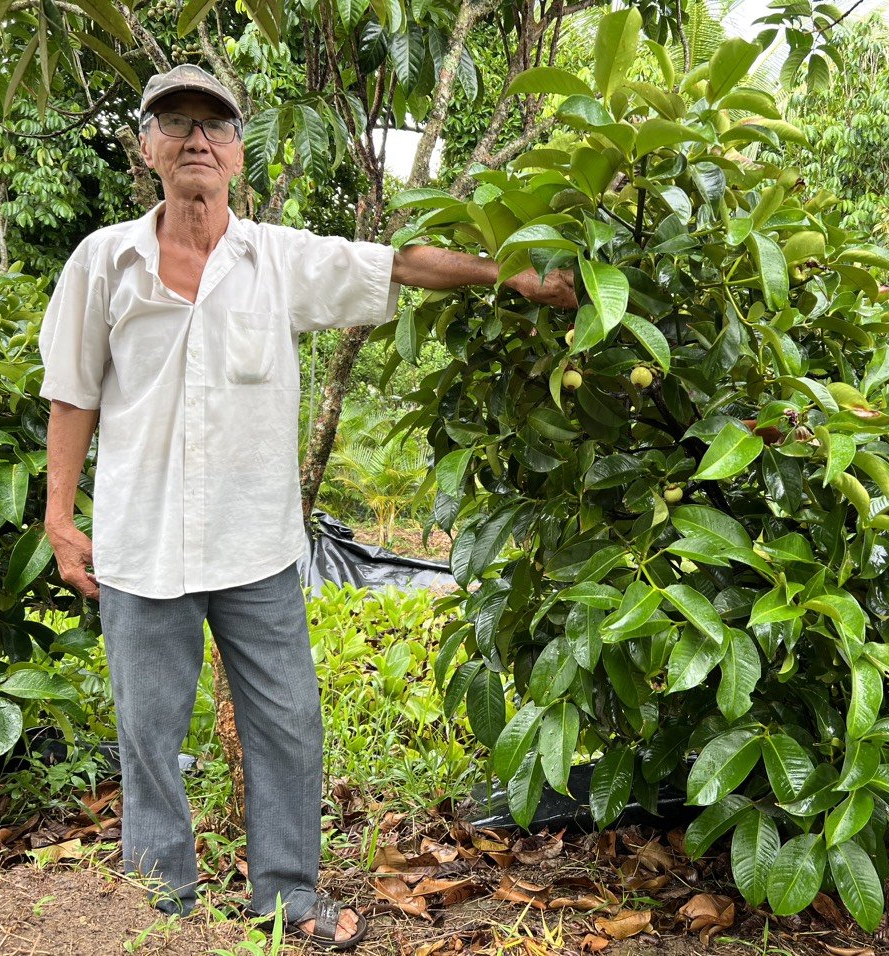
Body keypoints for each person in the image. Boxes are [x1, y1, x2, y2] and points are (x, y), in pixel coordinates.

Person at [40, 63, 576, 950]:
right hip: (140, 546)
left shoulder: (278, 260)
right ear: (147, 149)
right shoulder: (105, 261)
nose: (196, 141)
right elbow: (72, 396)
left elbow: (400, 265)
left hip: (254, 550)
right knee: (146, 736)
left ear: (240, 155)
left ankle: (287, 898)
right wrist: (61, 520)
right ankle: (159, 908)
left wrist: (506, 274)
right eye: (175, 124)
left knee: (288, 727)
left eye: (214, 127)